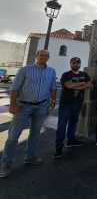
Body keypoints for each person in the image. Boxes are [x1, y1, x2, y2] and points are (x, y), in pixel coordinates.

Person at [0, 50, 57, 178]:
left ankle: (30, 157)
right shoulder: (25, 70)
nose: (43, 57)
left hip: (41, 106)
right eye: (41, 55)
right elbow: (15, 88)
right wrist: (13, 104)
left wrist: (52, 102)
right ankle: (6, 164)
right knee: (13, 136)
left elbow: (53, 88)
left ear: (48, 58)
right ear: (36, 56)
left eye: (46, 56)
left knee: (35, 134)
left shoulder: (51, 71)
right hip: (23, 106)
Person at [54, 57, 91, 158]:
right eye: (74, 63)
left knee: (73, 122)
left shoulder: (84, 74)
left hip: (78, 102)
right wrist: (81, 84)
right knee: (62, 125)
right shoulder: (66, 74)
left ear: (80, 64)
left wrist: (76, 85)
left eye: (78, 63)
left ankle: (71, 140)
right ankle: (58, 148)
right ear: (70, 64)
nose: (76, 64)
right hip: (66, 103)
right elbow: (68, 86)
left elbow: (89, 84)